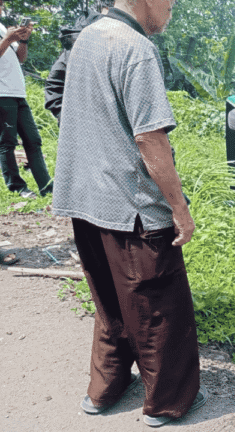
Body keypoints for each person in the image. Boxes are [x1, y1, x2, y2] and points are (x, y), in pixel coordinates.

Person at [51, 0, 206, 427]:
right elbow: (149, 139)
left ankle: (104, 391)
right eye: (170, 3)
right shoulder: (135, 48)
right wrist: (180, 209)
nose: (172, 10)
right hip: (131, 207)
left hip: (85, 201)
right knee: (160, 308)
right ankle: (169, 403)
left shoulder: (88, 37)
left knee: (110, 300)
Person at [0, 0, 53, 199]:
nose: (1, 8)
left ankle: (46, 186)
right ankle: (17, 187)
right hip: (2, 94)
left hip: (18, 93)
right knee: (7, 142)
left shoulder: (2, 27)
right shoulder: (5, 32)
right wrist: (7, 38)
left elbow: (21, 58)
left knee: (33, 140)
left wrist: (22, 40)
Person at [44, 0, 115, 122]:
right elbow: (54, 84)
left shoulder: (82, 33)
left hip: (87, 127)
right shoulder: (105, 34)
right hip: (94, 127)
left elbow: (54, 82)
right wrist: (69, 119)